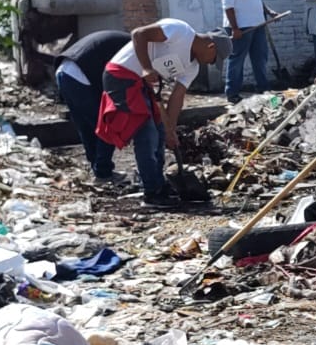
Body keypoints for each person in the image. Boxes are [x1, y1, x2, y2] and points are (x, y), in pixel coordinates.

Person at [96, 19, 231, 207]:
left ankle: (159, 185)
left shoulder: (192, 68)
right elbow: (138, 33)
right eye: (214, 59)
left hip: (144, 83)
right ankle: (152, 193)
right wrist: (145, 67)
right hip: (121, 74)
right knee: (147, 134)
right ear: (210, 46)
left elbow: (177, 97)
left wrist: (171, 129)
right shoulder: (179, 30)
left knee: (159, 132)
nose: (211, 64)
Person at [54, 30, 130, 183]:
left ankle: (98, 169)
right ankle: (103, 172)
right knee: (108, 124)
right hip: (79, 75)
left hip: (64, 71)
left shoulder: (125, 42)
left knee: (85, 125)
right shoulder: (134, 48)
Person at [220, 0, 278, 103]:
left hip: (257, 24)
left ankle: (263, 88)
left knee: (260, 57)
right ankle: (232, 93)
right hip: (241, 26)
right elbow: (228, 6)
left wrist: (268, 11)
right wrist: (235, 28)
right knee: (237, 59)